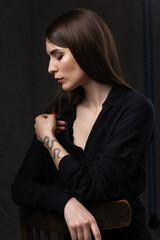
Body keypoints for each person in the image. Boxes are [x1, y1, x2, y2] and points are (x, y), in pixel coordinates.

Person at [11, 8, 154, 240]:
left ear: (86, 50)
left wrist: (49, 139)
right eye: (49, 57)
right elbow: (22, 187)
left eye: (58, 56)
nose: (50, 67)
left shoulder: (136, 110)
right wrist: (66, 203)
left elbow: (92, 188)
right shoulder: (58, 112)